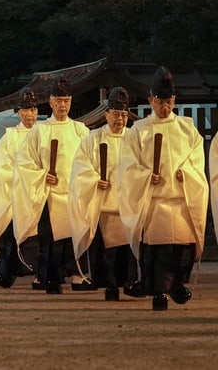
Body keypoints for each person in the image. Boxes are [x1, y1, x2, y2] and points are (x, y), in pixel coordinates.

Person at [120, 67, 207, 311]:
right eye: (159, 102)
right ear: (150, 101)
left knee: (183, 248)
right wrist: (147, 176)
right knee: (157, 251)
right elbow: (128, 166)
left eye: (168, 102)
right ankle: (159, 291)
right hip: (155, 200)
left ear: (174, 100)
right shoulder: (138, 131)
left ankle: (177, 284)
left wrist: (187, 171)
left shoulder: (187, 128)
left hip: (181, 197)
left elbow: (196, 158)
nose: (164, 107)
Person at [13, 77, 90, 294]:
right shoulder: (41, 130)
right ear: (51, 101)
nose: (63, 105)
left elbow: (89, 160)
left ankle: (78, 275)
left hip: (74, 192)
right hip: (50, 194)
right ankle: (50, 278)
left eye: (66, 100)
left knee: (77, 235)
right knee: (49, 239)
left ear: (71, 101)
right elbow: (24, 162)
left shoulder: (80, 130)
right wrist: (42, 175)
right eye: (59, 100)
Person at [69, 86, 139, 301]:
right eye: (116, 114)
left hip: (129, 203)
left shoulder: (135, 138)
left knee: (129, 249)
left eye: (124, 114)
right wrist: (93, 180)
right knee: (108, 251)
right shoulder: (93, 139)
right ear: (106, 114)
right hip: (105, 203)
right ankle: (110, 286)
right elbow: (80, 167)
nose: (120, 119)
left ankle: (130, 283)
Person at [0, 87, 38, 288]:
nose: (29, 114)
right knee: (9, 236)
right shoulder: (10, 138)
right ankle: (4, 273)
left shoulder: (42, 133)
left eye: (33, 110)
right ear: (18, 112)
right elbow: (2, 168)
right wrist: (21, 179)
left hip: (37, 193)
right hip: (15, 195)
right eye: (25, 110)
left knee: (38, 238)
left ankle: (40, 274)